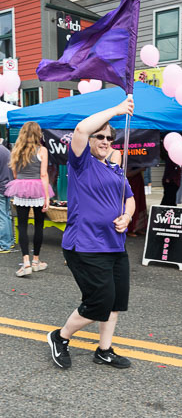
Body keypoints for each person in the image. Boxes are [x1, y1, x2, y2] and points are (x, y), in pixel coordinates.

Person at [47, 97, 135, 370]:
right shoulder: (81, 162)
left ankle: (104, 350)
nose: (105, 141)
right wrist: (118, 109)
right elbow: (82, 130)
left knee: (116, 302)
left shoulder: (115, 169)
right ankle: (60, 337)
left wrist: (127, 216)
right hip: (85, 245)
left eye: (110, 138)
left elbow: (129, 199)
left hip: (114, 245)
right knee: (99, 302)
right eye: (101, 136)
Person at [5, 122, 54, 276]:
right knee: (39, 225)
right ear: (37, 134)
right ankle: (36, 260)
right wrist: (47, 197)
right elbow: (44, 174)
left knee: (22, 225)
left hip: (20, 187)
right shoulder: (42, 150)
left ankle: (25, 261)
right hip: (38, 188)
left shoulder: (16, 150)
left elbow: (14, 174)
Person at [0, 141, 14, 253]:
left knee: (2, 216)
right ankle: (10, 241)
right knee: (7, 215)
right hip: (7, 186)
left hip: (1, 186)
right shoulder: (6, 151)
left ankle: (5, 244)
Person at [127, 167, 147, 236]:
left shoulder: (137, 160)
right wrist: (140, 169)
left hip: (138, 182)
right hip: (132, 184)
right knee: (133, 205)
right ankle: (130, 229)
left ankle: (137, 228)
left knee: (140, 204)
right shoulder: (128, 160)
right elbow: (127, 174)